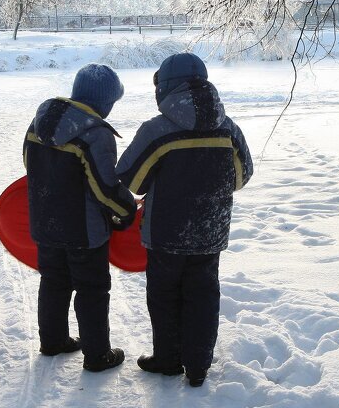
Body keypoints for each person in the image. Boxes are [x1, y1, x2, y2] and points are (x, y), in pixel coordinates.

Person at [116, 53, 253, 387]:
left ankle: (167, 359)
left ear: (164, 88)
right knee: (203, 294)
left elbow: (131, 180)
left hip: (166, 233)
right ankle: (198, 366)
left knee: (164, 296)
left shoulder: (157, 130)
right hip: (211, 231)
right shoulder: (228, 128)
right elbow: (241, 176)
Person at [23, 63, 135, 372]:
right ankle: (98, 355)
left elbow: (29, 167)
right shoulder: (95, 134)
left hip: (45, 223)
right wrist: (126, 212)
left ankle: (53, 340)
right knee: (92, 289)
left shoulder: (39, 123)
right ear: (104, 101)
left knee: (53, 280)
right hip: (84, 230)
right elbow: (104, 188)